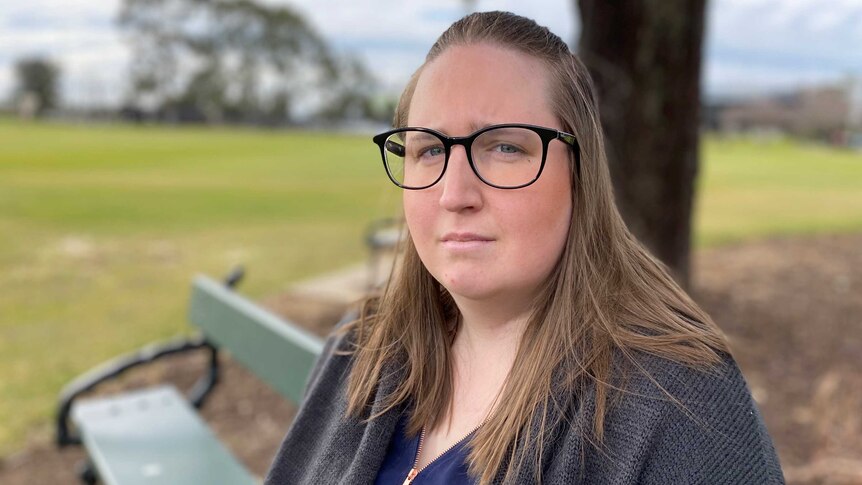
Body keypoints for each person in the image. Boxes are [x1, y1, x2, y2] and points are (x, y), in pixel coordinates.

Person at [265, 11, 784, 485]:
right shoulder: (362, 348)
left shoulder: (682, 406)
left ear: (580, 174)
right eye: (429, 149)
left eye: (506, 147)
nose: (455, 194)